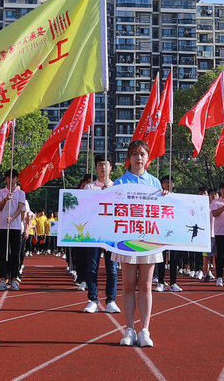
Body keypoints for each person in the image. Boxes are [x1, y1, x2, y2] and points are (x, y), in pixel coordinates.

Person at [113, 140, 164, 347]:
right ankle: (129, 329)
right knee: (128, 286)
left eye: (142, 154)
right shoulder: (119, 183)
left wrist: (166, 198)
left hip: (149, 240)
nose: (138, 158)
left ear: (147, 157)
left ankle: (144, 330)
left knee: (145, 285)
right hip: (126, 240)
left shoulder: (155, 184)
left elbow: (163, 213)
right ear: (129, 158)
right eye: (134, 154)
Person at [82, 153, 120, 314]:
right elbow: (86, 210)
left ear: (111, 167)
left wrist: (109, 193)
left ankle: (111, 300)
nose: (103, 167)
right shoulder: (89, 187)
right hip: (93, 235)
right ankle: (93, 300)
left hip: (112, 236)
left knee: (112, 269)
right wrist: (100, 195)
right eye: (100, 165)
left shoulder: (118, 188)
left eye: (106, 164)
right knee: (92, 268)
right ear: (96, 168)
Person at [0, 170, 25, 291]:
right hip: (3, 226)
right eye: (9, 177)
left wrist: (12, 217)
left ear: (17, 179)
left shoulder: (21, 193)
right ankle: (2, 279)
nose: (12, 180)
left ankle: (14, 279)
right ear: (6, 179)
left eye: (14, 178)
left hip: (15, 227)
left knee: (15, 254)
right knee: (3, 253)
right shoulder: (0, 192)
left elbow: (20, 208)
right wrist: (6, 199)